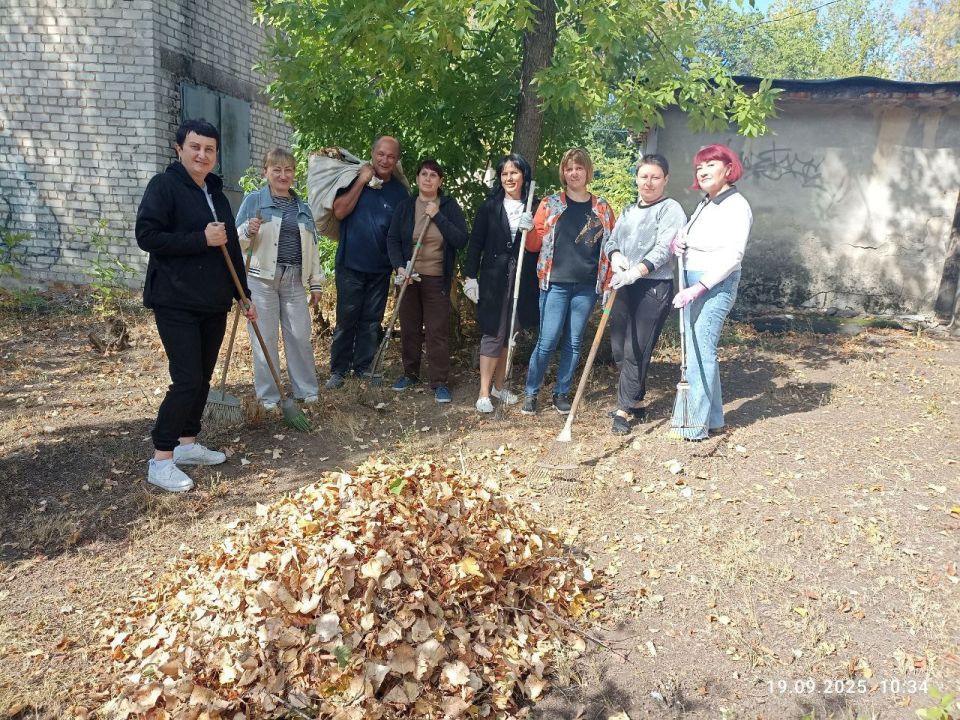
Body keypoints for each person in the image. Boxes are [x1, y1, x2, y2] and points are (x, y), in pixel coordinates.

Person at [135, 118, 256, 493]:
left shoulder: (216, 194)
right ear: (179, 149)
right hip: (175, 299)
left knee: (201, 376)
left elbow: (231, 249)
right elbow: (147, 236)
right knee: (186, 379)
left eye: (209, 149)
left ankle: (187, 444)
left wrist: (243, 294)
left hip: (212, 300)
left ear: (216, 155)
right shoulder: (164, 186)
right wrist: (199, 238)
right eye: (195, 147)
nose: (202, 155)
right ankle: (161, 458)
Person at [521, 148, 617, 415]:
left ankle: (561, 393)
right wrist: (528, 229)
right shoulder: (550, 205)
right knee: (547, 340)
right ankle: (531, 393)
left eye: (579, 168)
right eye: (568, 168)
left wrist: (609, 283)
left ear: (587, 172)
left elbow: (611, 247)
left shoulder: (602, 208)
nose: (573, 173)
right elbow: (533, 246)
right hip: (555, 284)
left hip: (586, 286)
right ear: (563, 173)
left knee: (574, 342)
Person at [670, 143, 753, 440]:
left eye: (710, 165)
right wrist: (679, 243)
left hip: (714, 283)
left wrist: (699, 288)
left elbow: (732, 256)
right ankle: (713, 418)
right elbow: (692, 239)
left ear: (728, 170)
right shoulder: (706, 202)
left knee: (699, 350)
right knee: (699, 348)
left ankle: (693, 425)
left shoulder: (736, 205)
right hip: (694, 279)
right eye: (699, 167)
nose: (702, 171)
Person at [605, 154, 687, 435]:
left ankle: (623, 410)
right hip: (624, 285)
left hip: (653, 286)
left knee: (636, 350)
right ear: (637, 178)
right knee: (618, 347)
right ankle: (637, 400)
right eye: (644, 176)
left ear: (665, 179)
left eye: (655, 177)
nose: (648, 182)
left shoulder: (670, 209)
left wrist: (637, 271)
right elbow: (612, 239)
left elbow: (664, 249)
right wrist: (615, 256)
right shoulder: (629, 210)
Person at [235, 148, 323, 410]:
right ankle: (269, 397)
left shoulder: (303, 207)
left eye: (288, 170)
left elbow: (313, 248)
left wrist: (316, 282)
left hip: (294, 279)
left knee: (299, 336)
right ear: (266, 172)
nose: (283, 175)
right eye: (277, 169)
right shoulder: (254, 201)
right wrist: (246, 230)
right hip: (261, 280)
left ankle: (306, 390)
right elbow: (235, 241)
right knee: (265, 338)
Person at [326, 136, 408, 389]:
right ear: (372, 154)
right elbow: (339, 211)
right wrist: (362, 180)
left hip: (380, 270)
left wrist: (399, 267)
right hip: (350, 264)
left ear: (396, 161)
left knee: (371, 322)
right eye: (381, 154)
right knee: (346, 319)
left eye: (391, 156)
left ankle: (363, 368)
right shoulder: (353, 179)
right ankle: (338, 370)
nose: (385, 160)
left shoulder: (400, 192)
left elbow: (402, 234)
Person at [385, 159, 469, 403]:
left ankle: (439, 381)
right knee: (410, 328)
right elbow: (392, 239)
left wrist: (438, 216)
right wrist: (401, 267)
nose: (428, 179)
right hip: (409, 277)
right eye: (424, 174)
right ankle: (410, 374)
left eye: (434, 175)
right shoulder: (406, 207)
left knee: (437, 330)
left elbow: (461, 239)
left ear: (440, 181)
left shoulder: (449, 207)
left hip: (437, 279)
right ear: (418, 178)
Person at [463, 153, 539, 413]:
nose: (509, 178)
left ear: (524, 175)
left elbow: (540, 245)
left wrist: (534, 230)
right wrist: (470, 276)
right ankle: (484, 392)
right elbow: (475, 243)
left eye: (514, 172)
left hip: (522, 278)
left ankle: (499, 386)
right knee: (493, 332)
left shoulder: (535, 206)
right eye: (505, 173)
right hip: (494, 278)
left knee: (511, 332)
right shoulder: (489, 207)